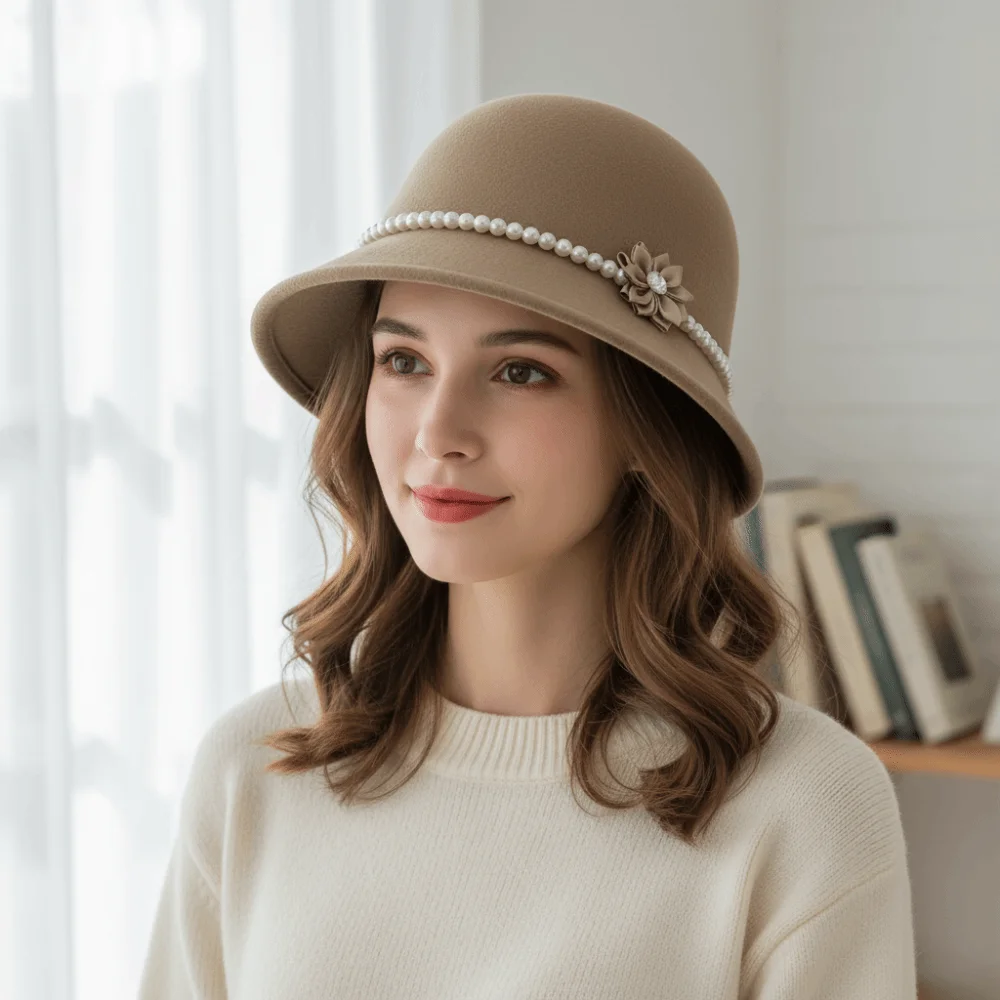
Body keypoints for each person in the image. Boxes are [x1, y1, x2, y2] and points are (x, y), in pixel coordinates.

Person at [138, 94, 918, 999]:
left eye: (520, 372)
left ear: (645, 426)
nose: (440, 431)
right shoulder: (256, 766)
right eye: (404, 361)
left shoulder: (802, 806)